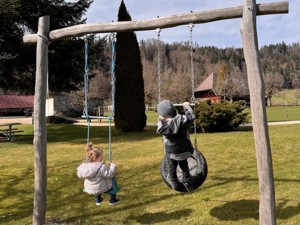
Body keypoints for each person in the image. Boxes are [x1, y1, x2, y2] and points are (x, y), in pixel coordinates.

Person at [156, 100, 195, 192]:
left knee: (171, 167)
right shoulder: (183, 120)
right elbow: (191, 116)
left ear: (163, 115)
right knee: (184, 166)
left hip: (171, 152)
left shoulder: (162, 126)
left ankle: (174, 183)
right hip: (184, 150)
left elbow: (161, 120)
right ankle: (188, 183)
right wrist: (186, 106)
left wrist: (164, 118)